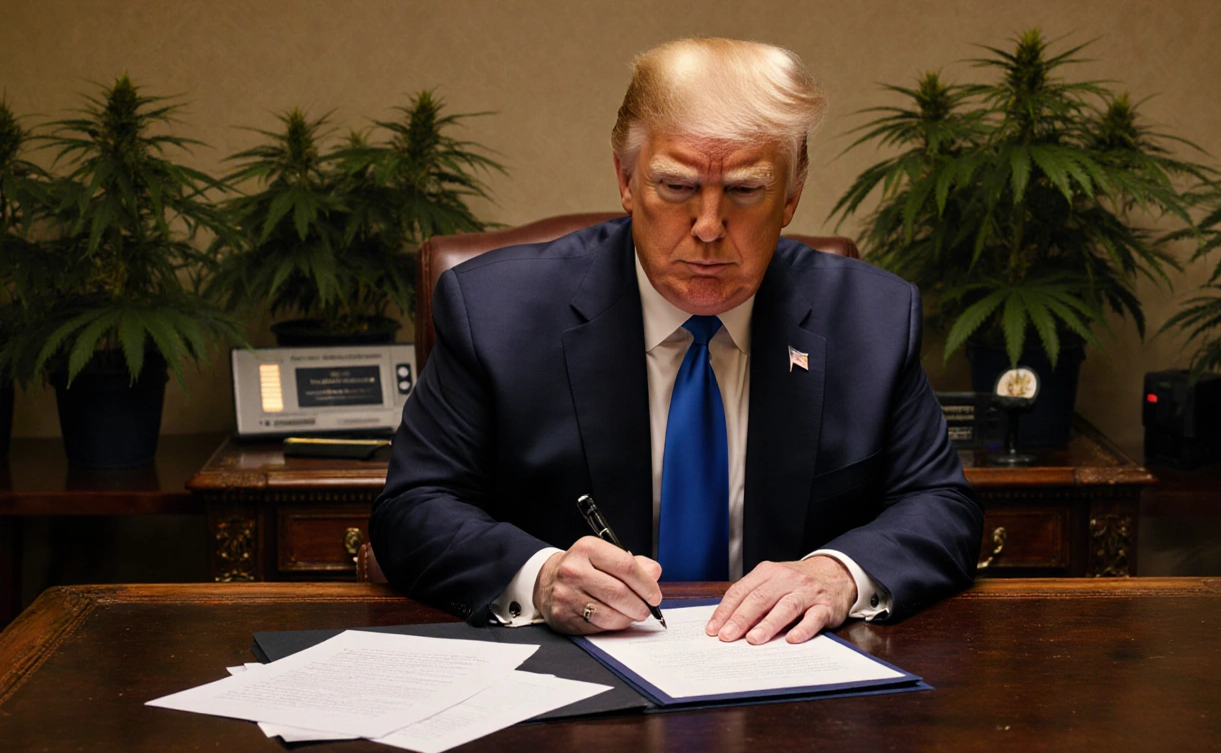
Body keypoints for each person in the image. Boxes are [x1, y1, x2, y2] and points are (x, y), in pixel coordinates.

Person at [371, 37, 982, 646]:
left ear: (792, 194)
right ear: (626, 179)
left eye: (745, 191)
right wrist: (541, 577)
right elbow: (414, 510)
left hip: (784, 674)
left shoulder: (870, 318)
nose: (710, 228)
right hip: (567, 682)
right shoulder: (495, 312)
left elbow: (941, 507)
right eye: (677, 187)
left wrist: (839, 574)